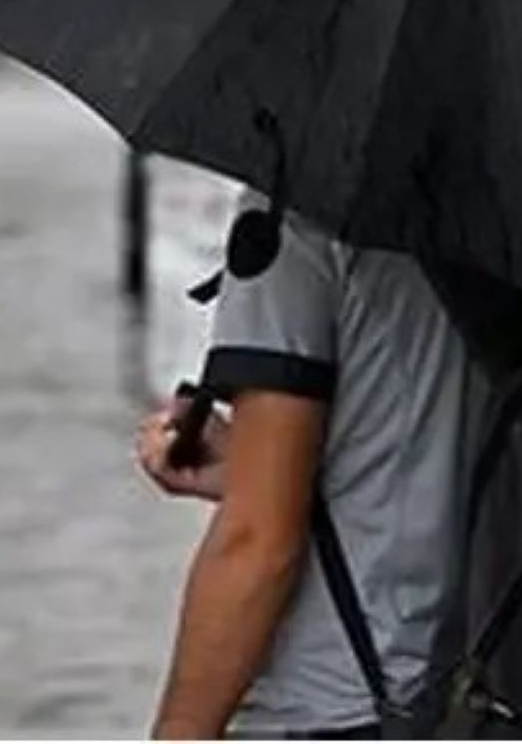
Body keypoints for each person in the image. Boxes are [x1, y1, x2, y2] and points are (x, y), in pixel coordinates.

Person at [131, 199, 479, 740]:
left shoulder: (292, 224)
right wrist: (250, 470)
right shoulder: (503, 218)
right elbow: (431, 446)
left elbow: (258, 543)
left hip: (328, 703)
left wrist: (180, 732)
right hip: (467, 688)